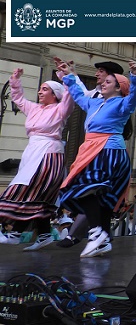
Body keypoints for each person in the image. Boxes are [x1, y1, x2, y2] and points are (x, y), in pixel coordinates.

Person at [57, 60, 136, 258]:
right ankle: (104, 238)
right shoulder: (94, 102)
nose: (103, 82)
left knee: (86, 188)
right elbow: (78, 94)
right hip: (91, 149)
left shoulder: (122, 104)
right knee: (101, 199)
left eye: (109, 81)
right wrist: (69, 75)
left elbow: (135, 96)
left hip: (109, 150)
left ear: (118, 87)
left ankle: (96, 231)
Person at [0, 68, 74, 251]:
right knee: (39, 197)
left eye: (45, 89)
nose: (40, 92)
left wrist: (66, 78)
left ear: (55, 94)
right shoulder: (34, 108)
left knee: (23, 189)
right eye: (40, 89)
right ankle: (44, 234)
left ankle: (15, 232)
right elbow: (18, 99)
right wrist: (16, 80)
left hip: (49, 153)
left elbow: (69, 98)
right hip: (32, 152)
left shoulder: (60, 109)